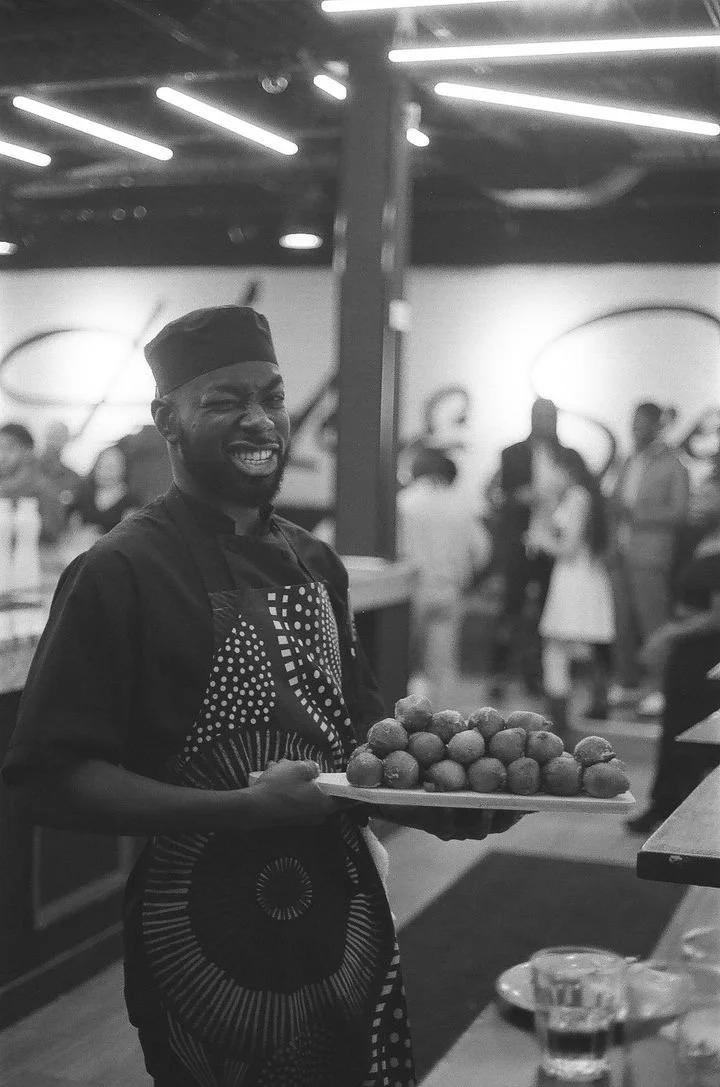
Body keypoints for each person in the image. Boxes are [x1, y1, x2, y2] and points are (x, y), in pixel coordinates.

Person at [2, 306, 515, 1087]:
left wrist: (443, 803)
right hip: (202, 945)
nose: (259, 420)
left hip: (347, 918)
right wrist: (239, 809)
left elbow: (358, 743)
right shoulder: (119, 570)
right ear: (165, 419)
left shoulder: (317, 562)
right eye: (223, 401)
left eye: (272, 397)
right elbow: (49, 777)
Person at [626, 513, 720, 834]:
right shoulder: (700, 537)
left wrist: (669, 634)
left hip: (706, 653)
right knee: (674, 731)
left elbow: (716, 616)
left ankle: (685, 814)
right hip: (689, 651)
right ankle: (666, 806)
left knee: (691, 733)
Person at [487, 397, 578, 699]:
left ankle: (534, 674)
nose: (545, 422)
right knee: (510, 610)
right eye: (540, 416)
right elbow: (500, 496)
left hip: (552, 544)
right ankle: (499, 673)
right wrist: (523, 497)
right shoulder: (512, 453)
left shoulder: (566, 455)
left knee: (544, 613)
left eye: (550, 416)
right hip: (520, 541)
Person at [610, 402, 689, 717]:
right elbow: (617, 503)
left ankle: (658, 686)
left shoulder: (673, 465)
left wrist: (637, 514)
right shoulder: (629, 461)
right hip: (621, 553)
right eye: (634, 423)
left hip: (652, 555)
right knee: (622, 623)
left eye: (643, 424)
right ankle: (627, 683)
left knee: (653, 622)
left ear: (658, 426)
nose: (636, 429)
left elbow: (679, 512)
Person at [534, 449, 615, 740]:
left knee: (559, 648)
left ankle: (562, 720)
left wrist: (541, 537)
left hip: (574, 578)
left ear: (565, 469)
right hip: (581, 576)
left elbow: (568, 548)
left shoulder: (577, 497)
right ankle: (593, 703)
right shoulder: (584, 496)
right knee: (574, 647)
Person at [396, 447, 488, 703]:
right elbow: (482, 550)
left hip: (411, 591)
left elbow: (393, 550)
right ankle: (436, 726)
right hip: (450, 591)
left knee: (405, 663)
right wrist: (464, 574)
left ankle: (403, 721)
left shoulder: (404, 502)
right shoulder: (461, 506)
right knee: (440, 668)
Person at [0, 422, 66, 544]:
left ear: (28, 451)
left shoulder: (44, 488)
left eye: (9, 449)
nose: (1, 456)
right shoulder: (3, 481)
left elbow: (51, 533)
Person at [76, 444, 139, 534]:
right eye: (102, 466)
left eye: (111, 467)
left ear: (123, 469)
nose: (105, 472)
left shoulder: (131, 503)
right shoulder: (83, 496)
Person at [37, 420, 83, 517]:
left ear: (66, 440)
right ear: (45, 437)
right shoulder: (27, 469)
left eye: (59, 437)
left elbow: (74, 512)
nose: (53, 442)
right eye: (52, 436)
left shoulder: (73, 478)